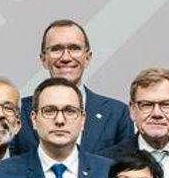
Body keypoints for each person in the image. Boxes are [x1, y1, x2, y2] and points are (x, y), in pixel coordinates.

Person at [15, 20, 132, 158]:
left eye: (74, 48)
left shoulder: (117, 113)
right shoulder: (20, 111)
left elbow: (127, 170)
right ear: (43, 59)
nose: (65, 57)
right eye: (56, 49)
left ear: (87, 57)